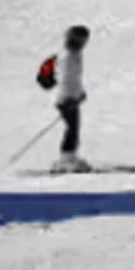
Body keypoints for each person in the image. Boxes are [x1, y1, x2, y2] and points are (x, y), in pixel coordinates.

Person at [52, 25, 91, 173]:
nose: (85, 43)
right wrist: (69, 99)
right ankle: (65, 158)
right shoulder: (67, 56)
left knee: (74, 128)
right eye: (83, 40)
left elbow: (76, 79)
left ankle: (70, 155)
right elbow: (65, 79)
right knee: (71, 129)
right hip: (66, 99)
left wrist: (79, 93)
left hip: (72, 97)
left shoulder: (76, 54)